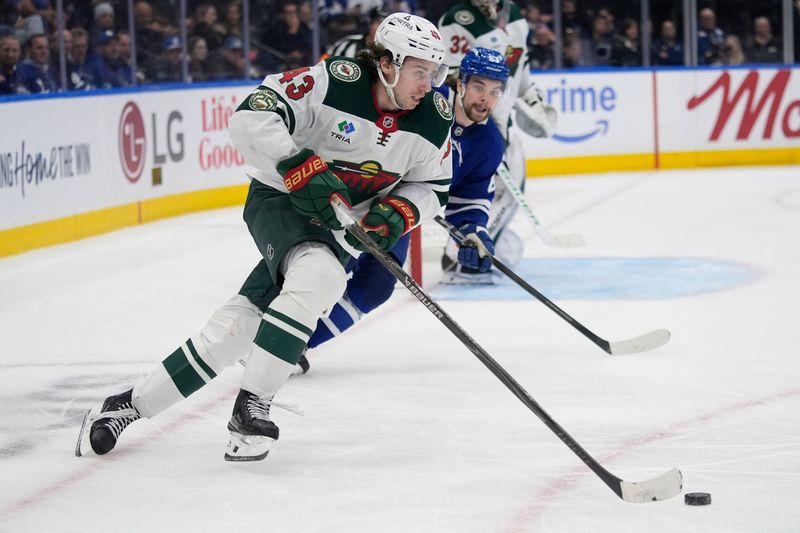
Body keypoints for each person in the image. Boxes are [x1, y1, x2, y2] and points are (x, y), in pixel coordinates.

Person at [76, 12, 453, 462]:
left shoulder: (433, 117)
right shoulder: (335, 81)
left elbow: (432, 187)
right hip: (280, 201)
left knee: (235, 330)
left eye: (435, 72)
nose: (429, 83)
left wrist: (397, 212)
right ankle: (252, 405)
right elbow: (252, 115)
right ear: (388, 63)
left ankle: (125, 407)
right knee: (321, 277)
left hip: (340, 224)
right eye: (419, 71)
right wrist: (295, 162)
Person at [295, 47, 509, 374]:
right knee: (321, 269)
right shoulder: (423, 99)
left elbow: (471, 195)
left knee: (376, 287)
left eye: (495, 92)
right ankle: (266, 330)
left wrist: (473, 232)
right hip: (354, 191)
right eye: (479, 87)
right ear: (460, 82)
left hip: (398, 214)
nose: (486, 99)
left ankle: (296, 345)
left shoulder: (490, 142)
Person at [438, 0, 557, 276]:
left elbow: (521, 63)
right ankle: (459, 252)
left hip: (499, 125)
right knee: (472, 188)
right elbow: (451, 76)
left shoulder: (513, 15)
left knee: (506, 188)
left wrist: (532, 99)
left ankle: (471, 247)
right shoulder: (457, 19)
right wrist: (478, 126)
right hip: (473, 126)